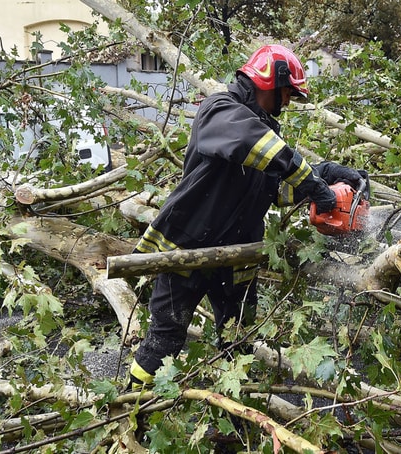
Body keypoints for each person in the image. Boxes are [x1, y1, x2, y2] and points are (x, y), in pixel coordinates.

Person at [128, 44, 367, 388]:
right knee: (164, 342)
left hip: (236, 257)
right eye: (286, 93)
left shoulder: (266, 138)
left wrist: (328, 174)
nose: (287, 103)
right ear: (269, 82)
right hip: (187, 251)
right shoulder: (220, 111)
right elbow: (256, 144)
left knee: (237, 343)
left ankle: (230, 420)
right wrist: (315, 183)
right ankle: (128, 419)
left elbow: (274, 190)